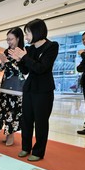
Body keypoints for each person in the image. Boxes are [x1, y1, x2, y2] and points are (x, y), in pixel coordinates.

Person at [8, 19, 59, 161]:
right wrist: (19, 60)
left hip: (44, 89)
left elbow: (42, 68)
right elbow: (26, 70)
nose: (26, 36)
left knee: (41, 122)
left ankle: (38, 151)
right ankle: (25, 148)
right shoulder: (29, 50)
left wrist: (24, 57)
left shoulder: (51, 46)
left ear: (37, 31)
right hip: (29, 88)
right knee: (27, 120)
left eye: (28, 33)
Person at [0, 27, 25, 146]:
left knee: (13, 111)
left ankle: (11, 134)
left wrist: (8, 63)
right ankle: (7, 133)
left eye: (11, 39)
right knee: (5, 110)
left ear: (18, 38)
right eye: (7, 40)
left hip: (16, 88)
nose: (9, 42)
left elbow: (23, 71)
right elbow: (2, 69)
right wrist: (2, 63)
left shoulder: (23, 52)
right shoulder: (6, 52)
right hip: (5, 85)